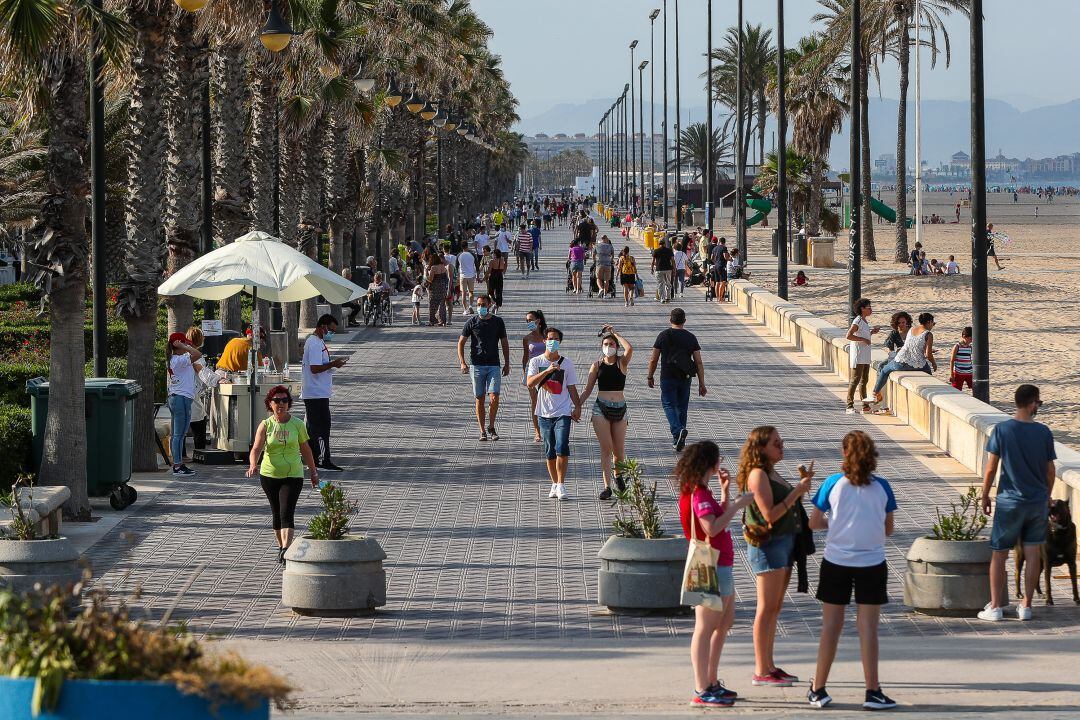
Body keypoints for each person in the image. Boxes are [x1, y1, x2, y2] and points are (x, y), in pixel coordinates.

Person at [807, 431, 898, 711]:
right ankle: (873, 690)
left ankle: (818, 689)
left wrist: (835, 526)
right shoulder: (882, 486)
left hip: (836, 561)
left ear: (844, 453)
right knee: (868, 628)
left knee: (830, 627)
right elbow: (888, 528)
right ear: (872, 455)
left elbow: (813, 522)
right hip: (872, 563)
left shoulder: (833, 483)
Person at [678, 441, 755, 707]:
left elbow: (715, 518)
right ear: (710, 464)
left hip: (720, 564)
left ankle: (711, 680)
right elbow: (711, 528)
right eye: (718, 460)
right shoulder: (697, 494)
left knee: (724, 622)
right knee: (706, 626)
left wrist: (724, 495)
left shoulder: (701, 491)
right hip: (707, 564)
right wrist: (736, 504)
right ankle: (702, 687)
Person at [737, 425, 813, 688]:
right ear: (761, 448)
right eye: (776, 443)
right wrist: (798, 492)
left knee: (774, 608)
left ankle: (769, 664)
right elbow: (769, 514)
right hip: (768, 545)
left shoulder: (771, 470)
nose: (781, 446)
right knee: (765, 609)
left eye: (781, 441)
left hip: (784, 543)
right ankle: (761, 669)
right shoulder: (757, 475)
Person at [978, 384, 1057, 622]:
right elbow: (1050, 471)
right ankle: (1026, 606)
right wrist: (1046, 495)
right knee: (1033, 553)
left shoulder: (1002, 430)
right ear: (1032, 403)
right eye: (1039, 403)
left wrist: (984, 494)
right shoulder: (1043, 432)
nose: (1038, 407)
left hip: (1009, 501)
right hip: (1035, 502)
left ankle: (995, 607)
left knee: (1000, 554)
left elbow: (991, 467)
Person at [246, 386, 319, 564]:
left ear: (289, 404)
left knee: (287, 511)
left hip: (293, 474)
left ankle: (286, 548)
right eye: (277, 401)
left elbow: (306, 450)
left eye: (284, 400)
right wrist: (253, 464)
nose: (281, 404)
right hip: (269, 474)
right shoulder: (266, 425)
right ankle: (281, 546)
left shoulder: (298, 424)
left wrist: (313, 472)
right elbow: (256, 448)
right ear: (270, 404)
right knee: (277, 512)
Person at [526, 327, 582, 500]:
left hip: (563, 411)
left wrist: (577, 406)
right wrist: (547, 371)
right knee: (549, 450)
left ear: (560, 342)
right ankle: (554, 483)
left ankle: (561, 484)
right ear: (544, 341)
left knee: (562, 446)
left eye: (556, 339)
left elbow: (571, 387)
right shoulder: (536, 361)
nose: (553, 341)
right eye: (550, 338)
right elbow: (529, 383)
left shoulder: (567, 363)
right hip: (543, 412)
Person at [578, 325, 633, 500]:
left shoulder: (621, 363)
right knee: (606, 449)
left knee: (619, 451)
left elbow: (630, 348)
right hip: (600, 408)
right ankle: (607, 487)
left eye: (611, 344)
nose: (608, 346)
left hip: (620, 409)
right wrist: (577, 406)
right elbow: (587, 390)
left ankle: (618, 476)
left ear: (616, 347)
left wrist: (615, 333)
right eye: (606, 343)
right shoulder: (596, 365)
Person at [647, 308, 706, 452]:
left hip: (667, 376)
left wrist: (650, 375)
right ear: (684, 321)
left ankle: (677, 432)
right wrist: (701, 383)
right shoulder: (691, 337)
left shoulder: (663, 335)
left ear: (670, 320)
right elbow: (698, 362)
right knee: (682, 407)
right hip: (685, 377)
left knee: (668, 405)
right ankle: (678, 438)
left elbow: (653, 359)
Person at [457, 294, 511, 441]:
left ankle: (491, 426)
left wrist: (507, 363)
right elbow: (461, 343)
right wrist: (462, 362)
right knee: (479, 398)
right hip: (477, 365)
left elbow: (504, 343)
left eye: (483, 304)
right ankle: (482, 430)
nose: (480, 307)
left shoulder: (498, 322)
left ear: (489, 305)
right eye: (479, 304)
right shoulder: (471, 322)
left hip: (494, 364)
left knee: (494, 397)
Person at [303, 314, 346, 472]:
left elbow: (319, 365)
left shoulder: (318, 341)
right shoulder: (314, 343)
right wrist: (332, 364)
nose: (332, 334)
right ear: (323, 326)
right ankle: (322, 459)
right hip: (315, 394)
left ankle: (315, 458)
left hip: (318, 392)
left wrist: (332, 365)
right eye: (331, 330)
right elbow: (314, 368)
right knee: (321, 428)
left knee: (315, 427)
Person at [870, 312, 936, 405]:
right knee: (928, 372)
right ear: (929, 322)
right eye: (933, 323)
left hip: (902, 362)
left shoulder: (912, 329)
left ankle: (875, 392)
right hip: (919, 365)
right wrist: (934, 363)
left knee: (884, 370)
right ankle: (932, 394)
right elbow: (928, 354)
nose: (932, 326)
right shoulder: (928, 334)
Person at [167, 331, 202, 476]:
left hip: (180, 398)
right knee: (179, 434)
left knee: (178, 434)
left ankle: (178, 464)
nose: (187, 345)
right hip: (180, 399)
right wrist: (183, 345)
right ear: (177, 344)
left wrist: (183, 345)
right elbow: (197, 354)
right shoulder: (177, 360)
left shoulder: (178, 359)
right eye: (183, 343)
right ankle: (177, 466)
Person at [845, 298, 879, 415]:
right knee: (855, 380)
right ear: (862, 309)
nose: (871, 310)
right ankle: (849, 405)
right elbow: (849, 336)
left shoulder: (864, 321)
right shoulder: (858, 320)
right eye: (868, 308)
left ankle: (865, 406)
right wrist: (863, 339)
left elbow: (862, 334)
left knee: (864, 381)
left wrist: (871, 333)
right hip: (858, 356)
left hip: (865, 355)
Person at [521, 309, 548, 444]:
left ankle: (547, 428)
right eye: (527, 321)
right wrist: (524, 372)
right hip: (532, 372)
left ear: (538, 321)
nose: (529, 323)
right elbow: (525, 357)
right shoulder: (526, 339)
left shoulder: (547, 337)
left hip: (547, 371)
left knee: (547, 400)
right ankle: (537, 431)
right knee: (535, 402)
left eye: (530, 320)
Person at [184, 326, 210, 451]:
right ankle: (200, 452)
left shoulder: (182, 354)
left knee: (181, 429)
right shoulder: (196, 357)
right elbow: (201, 372)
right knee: (199, 423)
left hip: (185, 393)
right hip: (192, 393)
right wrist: (215, 379)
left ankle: (182, 455)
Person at [425, 252, 450, 326]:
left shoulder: (433, 267)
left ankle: (432, 320)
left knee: (432, 303)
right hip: (442, 287)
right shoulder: (443, 266)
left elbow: (430, 279)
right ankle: (443, 320)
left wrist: (426, 272)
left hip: (435, 288)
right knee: (442, 304)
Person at [949, 326, 974, 391]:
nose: (971, 341)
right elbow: (952, 361)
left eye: (972, 339)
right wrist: (952, 374)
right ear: (964, 336)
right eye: (970, 339)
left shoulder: (970, 347)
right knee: (956, 390)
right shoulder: (957, 346)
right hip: (958, 373)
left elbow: (969, 359)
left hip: (969, 372)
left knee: (976, 387)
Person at [652, 237, 675, 303]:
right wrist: (674, 269)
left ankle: (662, 298)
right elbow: (673, 261)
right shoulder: (669, 250)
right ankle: (668, 298)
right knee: (668, 284)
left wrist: (651, 269)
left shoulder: (656, 251)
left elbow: (653, 261)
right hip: (668, 269)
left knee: (660, 284)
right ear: (665, 243)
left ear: (659, 243)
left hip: (659, 269)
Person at [458, 243, 478, 315]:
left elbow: (457, 266)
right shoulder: (472, 254)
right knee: (471, 292)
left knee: (463, 293)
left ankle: (465, 309)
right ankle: (470, 306)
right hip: (471, 275)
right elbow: (477, 264)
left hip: (462, 276)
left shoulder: (459, 255)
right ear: (467, 246)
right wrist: (478, 275)